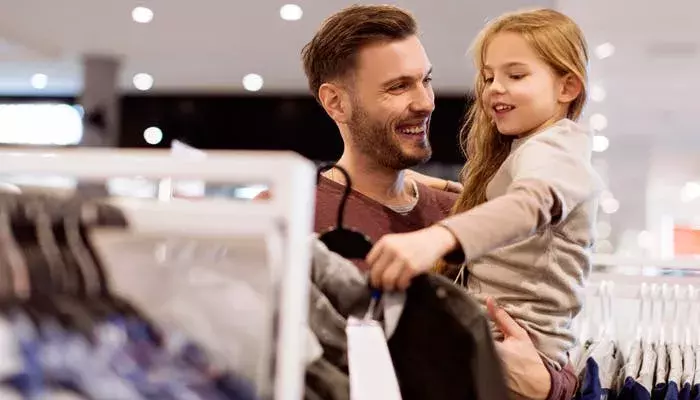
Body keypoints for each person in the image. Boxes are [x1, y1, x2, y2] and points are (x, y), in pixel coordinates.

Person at [302, 4, 578, 400]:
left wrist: (547, 385)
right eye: (398, 87)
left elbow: (553, 340)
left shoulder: (468, 217)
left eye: (425, 80)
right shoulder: (293, 220)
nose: (426, 102)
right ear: (336, 103)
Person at [366, 3, 602, 382]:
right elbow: (513, 204)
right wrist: (443, 186)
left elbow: (530, 205)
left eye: (516, 74)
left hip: (513, 352)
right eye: (489, 77)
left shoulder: (554, 148)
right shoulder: (540, 149)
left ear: (567, 86)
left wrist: (437, 238)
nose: (496, 88)